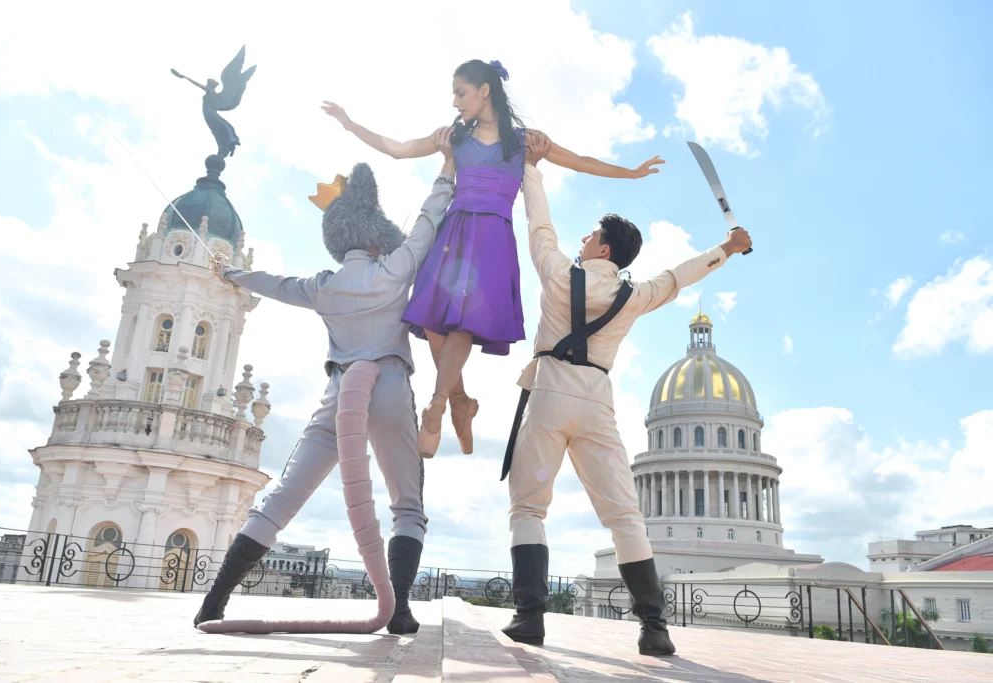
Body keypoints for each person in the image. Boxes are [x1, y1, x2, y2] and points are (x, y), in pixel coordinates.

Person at [322, 59, 665, 459]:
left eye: (460, 92)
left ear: (485, 90)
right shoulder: (454, 138)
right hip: (453, 232)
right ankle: (460, 400)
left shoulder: (525, 142)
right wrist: (350, 124)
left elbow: (581, 162)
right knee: (432, 322)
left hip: (493, 237)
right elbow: (398, 150)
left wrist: (632, 173)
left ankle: (437, 402)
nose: (455, 102)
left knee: (465, 323)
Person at [193, 131, 458, 635]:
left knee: (284, 498)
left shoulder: (323, 285)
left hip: (339, 395)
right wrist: (446, 171)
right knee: (407, 504)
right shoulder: (395, 268)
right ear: (376, 236)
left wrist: (231, 274)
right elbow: (426, 223)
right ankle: (399, 609)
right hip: (390, 387)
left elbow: (272, 284)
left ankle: (214, 602)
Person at [499, 133, 752, 657]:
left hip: (548, 393)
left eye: (590, 236)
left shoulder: (557, 275)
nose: (583, 240)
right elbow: (678, 277)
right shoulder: (633, 296)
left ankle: (530, 618)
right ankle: (654, 627)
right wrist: (728, 248)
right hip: (596, 399)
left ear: (604, 248)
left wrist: (532, 168)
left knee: (529, 508)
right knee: (623, 517)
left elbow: (538, 226)